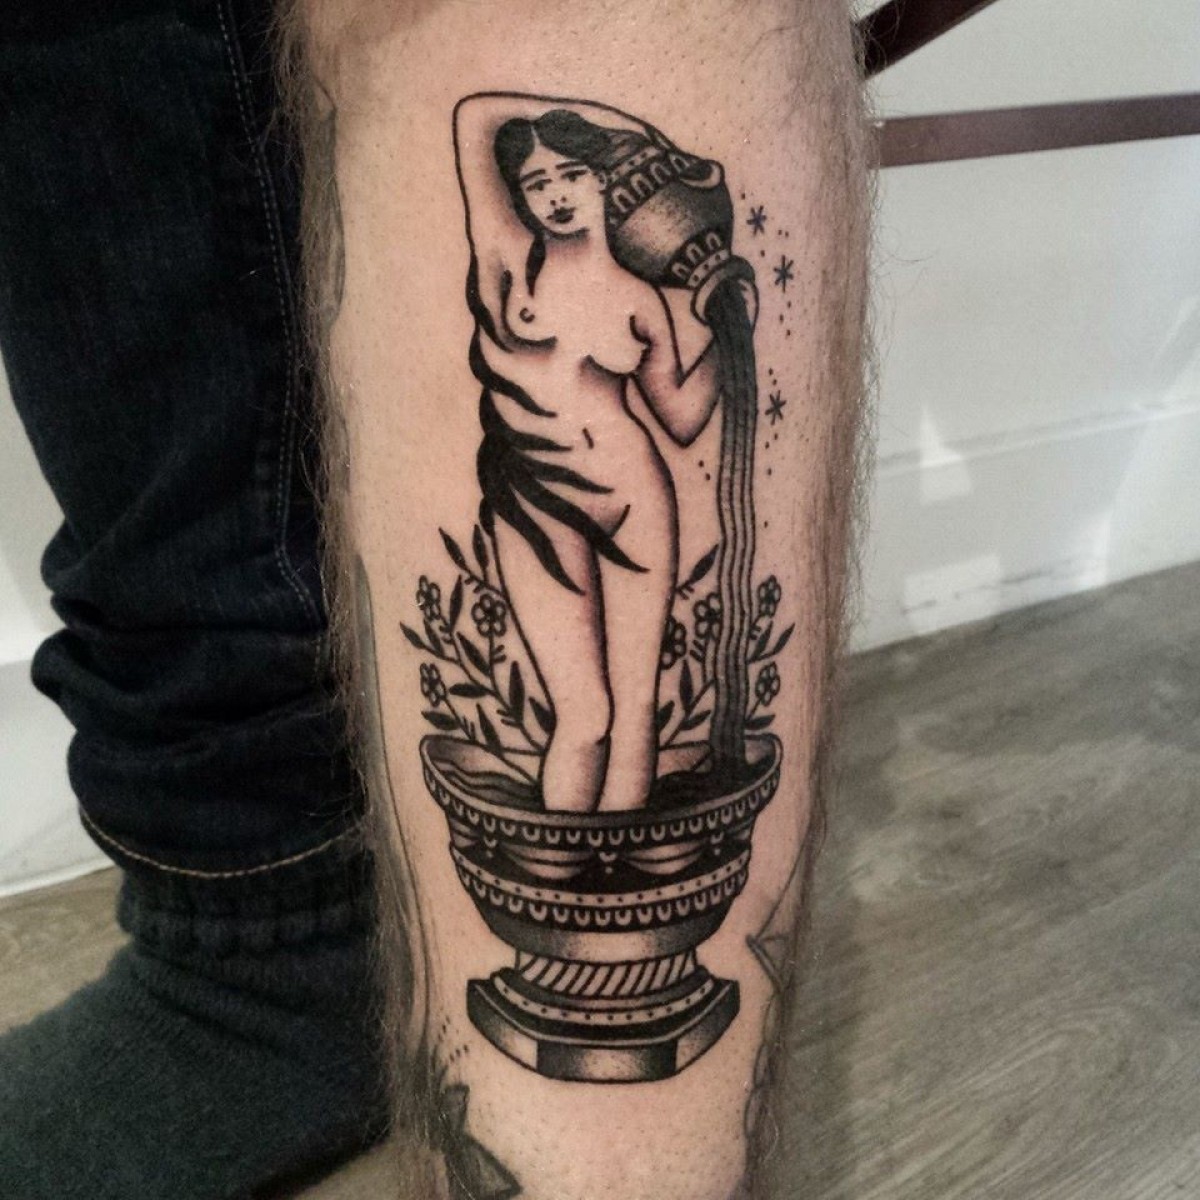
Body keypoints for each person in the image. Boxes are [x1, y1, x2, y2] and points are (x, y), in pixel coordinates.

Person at [0, 1, 869, 1197]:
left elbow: (680, 416)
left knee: (627, 717)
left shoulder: (634, 293)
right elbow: (477, 127)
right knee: (578, 716)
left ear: (604, 186)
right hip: (531, 498)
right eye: (541, 179)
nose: (552, 193)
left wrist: (712, 316)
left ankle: (604, 1063)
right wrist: (634, 147)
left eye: (572, 177)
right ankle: (520, 916)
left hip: (634, 508)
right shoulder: (511, 270)